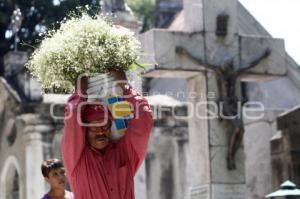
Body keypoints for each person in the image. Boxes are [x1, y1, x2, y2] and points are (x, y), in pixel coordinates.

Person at [61, 70, 153, 199]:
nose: (100, 131)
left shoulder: (125, 152)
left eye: (105, 125)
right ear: (84, 131)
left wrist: (124, 86)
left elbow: (144, 116)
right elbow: (73, 113)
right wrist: (80, 91)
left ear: (111, 127)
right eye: (94, 127)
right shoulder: (77, 158)